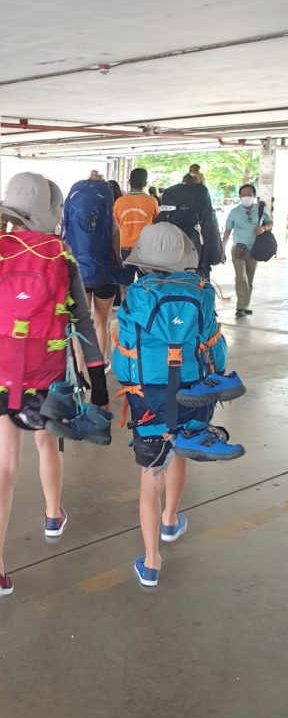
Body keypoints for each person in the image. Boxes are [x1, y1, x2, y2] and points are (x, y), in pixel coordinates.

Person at [0, 172, 109, 598]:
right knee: (48, 446)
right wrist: (97, 380)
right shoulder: (62, 257)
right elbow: (83, 322)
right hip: (49, 374)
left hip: (0, 374)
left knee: (5, 466)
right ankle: (52, 516)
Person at [112, 223, 240, 588]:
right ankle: (170, 520)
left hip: (147, 399)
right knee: (180, 451)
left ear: (144, 261)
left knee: (150, 474)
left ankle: (151, 561)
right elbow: (216, 349)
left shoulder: (136, 295)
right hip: (193, 393)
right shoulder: (201, 291)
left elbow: (122, 357)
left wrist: (131, 390)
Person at [62, 175, 122, 363]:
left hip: (79, 276)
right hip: (105, 276)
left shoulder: (69, 224)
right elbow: (118, 257)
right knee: (101, 321)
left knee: (81, 323)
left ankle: (81, 366)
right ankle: (100, 364)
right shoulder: (112, 224)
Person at [222, 184, 274, 318]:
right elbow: (227, 231)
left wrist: (263, 228)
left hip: (255, 250)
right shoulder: (234, 212)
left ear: (254, 196)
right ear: (239, 197)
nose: (246, 197)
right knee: (241, 277)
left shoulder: (260, 210)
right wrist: (222, 250)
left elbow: (270, 223)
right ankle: (240, 307)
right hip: (238, 249)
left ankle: (245, 306)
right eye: (243, 194)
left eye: (249, 194)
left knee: (249, 279)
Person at [157, 173, 221, 277]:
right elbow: (209, 228)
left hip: (169, 254)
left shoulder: (169, 193)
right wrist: (213, 257)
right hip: (195, 253)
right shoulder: (202, 192)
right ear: (197, 182)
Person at [113, 168, 158, 289]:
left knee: (124, 287)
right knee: (146, 286)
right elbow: (157, 224)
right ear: (145, 184)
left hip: (123, 250)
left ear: (129, 182)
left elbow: (114, 227)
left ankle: (126, 301)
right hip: (145, 249)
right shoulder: (152, 202)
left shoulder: (119, 202)